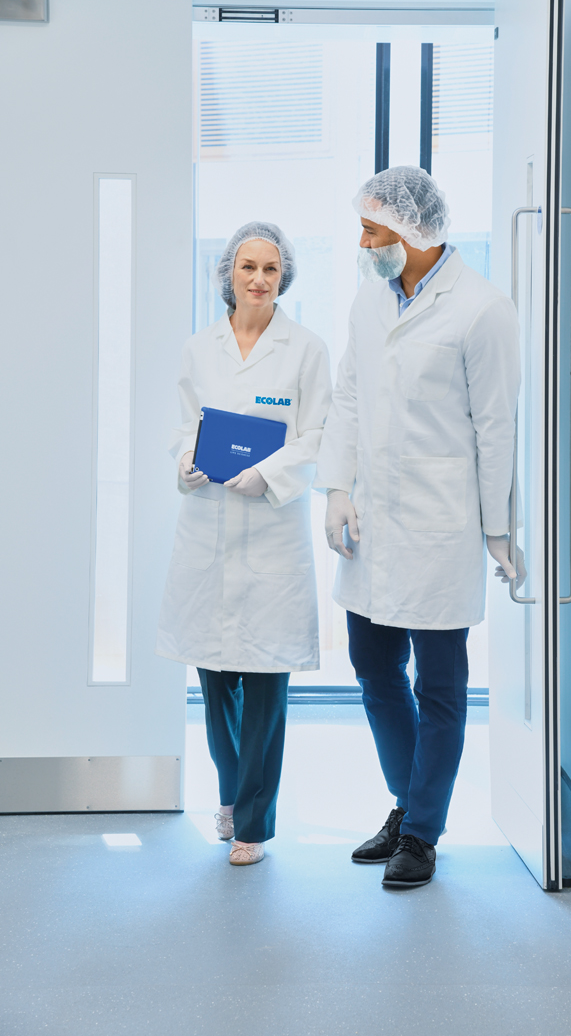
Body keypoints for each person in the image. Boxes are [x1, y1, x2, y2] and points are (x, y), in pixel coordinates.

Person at [314, 167, 524, 889]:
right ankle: (408, 804)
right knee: (372, 668)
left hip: (441, 526)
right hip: (373, 522)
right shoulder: (369, 303)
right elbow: (347, 397)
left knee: (439, 684)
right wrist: (336, 487)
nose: (364, 243)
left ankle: (422, 832)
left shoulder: (482, 310)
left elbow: (497, 427)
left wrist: (499, 529)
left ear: (415, 233)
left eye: (373, 230)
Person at [157, 221, 332, 866]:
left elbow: (316, 435)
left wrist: (272, 474)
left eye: (271, 269)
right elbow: (184, 423)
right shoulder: (200, 348)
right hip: (208, 527)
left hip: (270, 536)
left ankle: (253, 821)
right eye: (247, 268)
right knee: (214, 676)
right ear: (228, 273)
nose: (259, 280)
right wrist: (185, 460)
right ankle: (232, 788)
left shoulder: (306, 349)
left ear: (284, 276)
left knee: (264, 685)